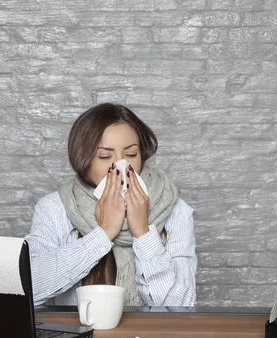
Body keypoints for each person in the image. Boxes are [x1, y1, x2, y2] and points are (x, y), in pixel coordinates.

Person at [25, 103, 197, 306]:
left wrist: (143, 233)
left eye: (131, 154)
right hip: (79, 336)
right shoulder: (55, 208)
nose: (120, 167)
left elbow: (181, 305)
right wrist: (104, 233)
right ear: (83, 159)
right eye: (105, 156)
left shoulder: (176, 211)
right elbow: (29, 290)